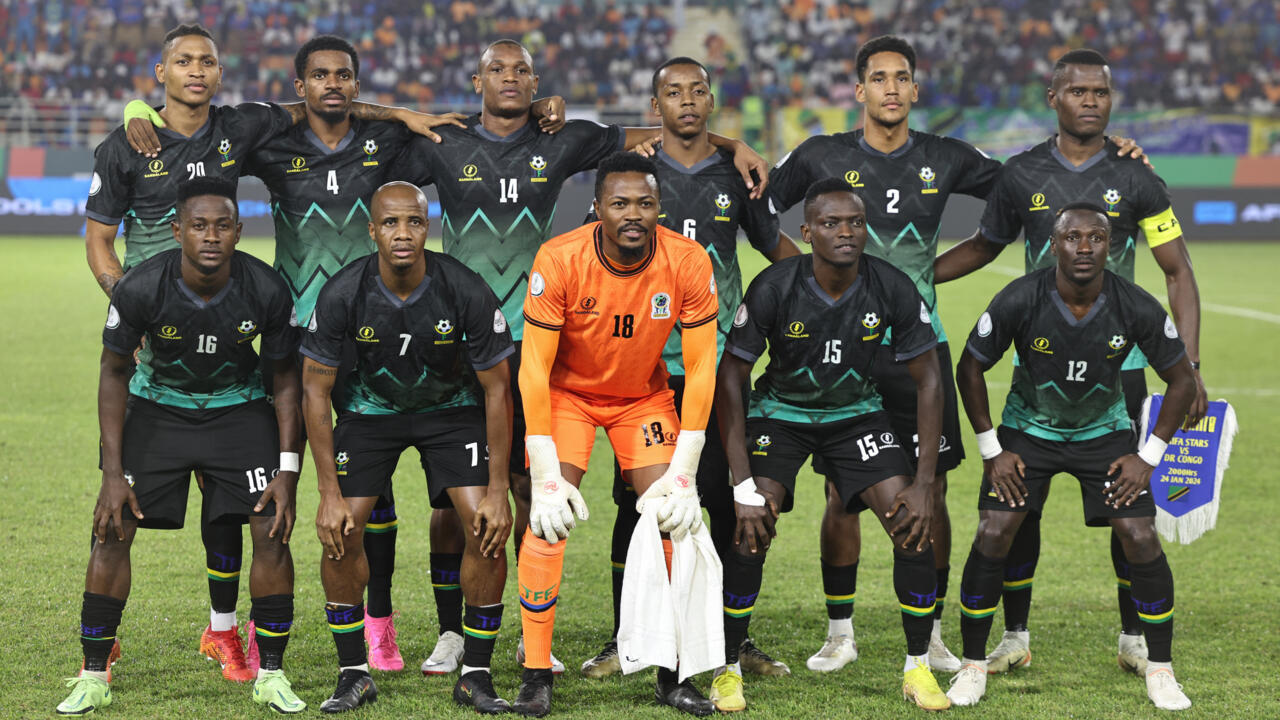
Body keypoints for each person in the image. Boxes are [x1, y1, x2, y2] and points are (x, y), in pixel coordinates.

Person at [388, 39, 768, 676]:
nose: (509, 78)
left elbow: (668, 131)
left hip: (555, 348)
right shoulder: (440, 140)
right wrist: (398, 114)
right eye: (496, 70)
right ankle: (456, 632)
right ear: (475, 79)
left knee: (551, 498)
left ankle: (628, 653)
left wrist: (733, 146)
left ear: (538, 81)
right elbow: (350, 143)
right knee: (460, 496)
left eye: (521, 70)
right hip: (468, 345)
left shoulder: (565, 140)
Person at [97, 23, 464, 682]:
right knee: (233, 487)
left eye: (343, 75)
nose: (332, 85)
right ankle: (223, 627)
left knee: (368, 487)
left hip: (368, 331)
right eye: (319, 74)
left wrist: (402, 112)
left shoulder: (342, 139)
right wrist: (133, 112)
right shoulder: (263, 142)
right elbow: (262, 123)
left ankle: (378, 620)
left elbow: (339, 109)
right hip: (285, 333)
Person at [933, 48, 1207, 676]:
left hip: (1126, 364)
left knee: (1128, 505)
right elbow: (984, 245)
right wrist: (914, 275)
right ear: (1052, 96)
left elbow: (1178, 270)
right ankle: (1015, 634)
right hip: (1038, 369)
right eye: (1078, 91)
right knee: (1016, 505)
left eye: (1101, 92)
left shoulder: (1138, 176)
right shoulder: (1022, 173)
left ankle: (1135, 636)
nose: (1091, 101)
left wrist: (1188, 364)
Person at [764, 34, 997, 673]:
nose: (891, 88)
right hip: (842, 354)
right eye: (879, 78)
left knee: (933, 490)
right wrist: (800, 275)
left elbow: (1013, 200)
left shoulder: (947, 157)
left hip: (918, 352)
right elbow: (758, 204)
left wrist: (942, 268)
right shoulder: (820, 154)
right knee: (842, 492)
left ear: (915, 90)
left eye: (902, 78)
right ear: (859, 89)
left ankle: (933, 629)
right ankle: (841, 632)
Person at [580, 56, 800, 681]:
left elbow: (772, 247)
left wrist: (817, 284)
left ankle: (735, 640)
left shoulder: (738, 175)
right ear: (655, 106)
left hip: (723, 365)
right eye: (671, 92)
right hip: (645, 371)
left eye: (696, 91)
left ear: (711, 101)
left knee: (733, 501)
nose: (685, 101)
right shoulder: (635, 177)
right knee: (637, 506)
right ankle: (626, 638)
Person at [58, 177, 304, 715]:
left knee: (271, 528)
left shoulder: (266, 287)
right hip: (158, 408)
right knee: (111, 528)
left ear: (239, 231)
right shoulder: (142, 286)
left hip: (239, 409)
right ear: (177, 231)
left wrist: (287, 469)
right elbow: (113, 373)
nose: (210, 236)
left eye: (222, 226)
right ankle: (93, 673)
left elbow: (287, 378)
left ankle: (272, 673)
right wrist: (112, 474)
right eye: (198, 226)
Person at [945, 203, 1197, 711]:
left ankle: (1161, 669)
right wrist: (993, 450)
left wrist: (1146, 457)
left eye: (1097, 237)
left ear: (1113, 245)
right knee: (995, 529)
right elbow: (969, 367)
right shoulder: (1021, 296)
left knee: (1140, 535)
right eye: (1073, 238)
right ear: (1052, 245)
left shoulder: (1134, 303)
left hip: (1104, 434)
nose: (1085, 247)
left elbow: (1181, 379)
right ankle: (973, 664)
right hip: (1027, 434)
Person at [714, 179, 949, 712]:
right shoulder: (775, 285)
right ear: (807, 232)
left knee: (912, 524)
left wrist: (923, 481)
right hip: (782, 414)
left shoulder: (890, 285)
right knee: (754, 523)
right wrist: (742, 483)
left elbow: (929, 379)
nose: (845, 232)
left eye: (855, 223)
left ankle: (918, 669)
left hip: (856, 416)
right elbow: (732, 377)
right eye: (830, 223)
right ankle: (727, 668)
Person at [513, 152, 721, 717]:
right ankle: (536, 674)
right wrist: (546, 470)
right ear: (598, 207)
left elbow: (703, 368)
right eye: (620, 203)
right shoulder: (560, 258)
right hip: (568, 399)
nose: (634, 214)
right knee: (545, 524)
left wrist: (685, 469)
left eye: (645, 203)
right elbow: (533, 368)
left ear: (660, 207)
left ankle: (673, 676)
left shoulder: (687, 259)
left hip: (642, 400)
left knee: (676, 520)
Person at [301, 182, 516, 714]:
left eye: (414, 222)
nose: (403, 233)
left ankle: (476, 675)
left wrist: (497, 488)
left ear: (429, 226)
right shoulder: (343, 292)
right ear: (372, 229)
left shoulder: (463, 288)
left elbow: (496, 388)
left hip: (451, 411)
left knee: (485, 527)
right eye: (391, 223)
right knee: (341, 529)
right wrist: (327, 492)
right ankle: (354, 673)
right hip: (370, 413)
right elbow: (315, 389)